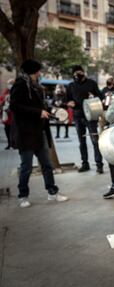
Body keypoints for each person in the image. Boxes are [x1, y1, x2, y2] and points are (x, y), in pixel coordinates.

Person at [10, 59, 68, 208]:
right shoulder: (20, 84)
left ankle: (52, 192)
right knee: (26, 167)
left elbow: (38, 108)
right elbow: (15, 106)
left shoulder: (35, 87)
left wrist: (50, 112)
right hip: (26, 133)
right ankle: (23, 196)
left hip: (39, 132)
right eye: (38, 71)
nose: (39, 73)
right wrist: (38, 112)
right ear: (33, 72)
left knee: (47, 165)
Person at [66, 65, 104, 173]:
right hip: (77, 116)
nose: (77, 75)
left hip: (91, 117)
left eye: (79, 72)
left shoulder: (91, 83)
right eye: (75, 73)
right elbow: (67, 100)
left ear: (83, 72)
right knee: (81, 142)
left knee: (95, 141)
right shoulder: (71, 85)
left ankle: (99, 164)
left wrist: (94, 97)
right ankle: (85, 164)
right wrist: (70, 103)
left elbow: (100, 96)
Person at [0, 79, 14, 149]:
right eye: (8, 83)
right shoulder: (6, 91)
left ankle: (13, 143)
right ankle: (9, 143)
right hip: (6, 114)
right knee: (7, 129)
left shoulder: (15, 91)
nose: (9, 85)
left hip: (13, 114)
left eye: (10, 83)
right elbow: (1, 99)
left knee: (13, 130)